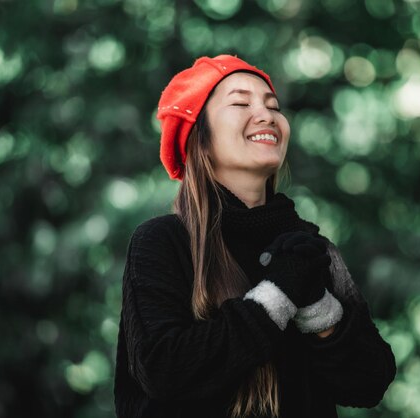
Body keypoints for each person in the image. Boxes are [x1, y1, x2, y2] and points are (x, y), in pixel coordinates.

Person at [114, 55, 396, 418]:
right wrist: (276, 296)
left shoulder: (309, 252)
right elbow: (165, 371)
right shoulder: (163, 241)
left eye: (273, 105)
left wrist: (316, 307)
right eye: (241, 102)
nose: (267, 115)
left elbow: (370, 381)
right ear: (199, 137)